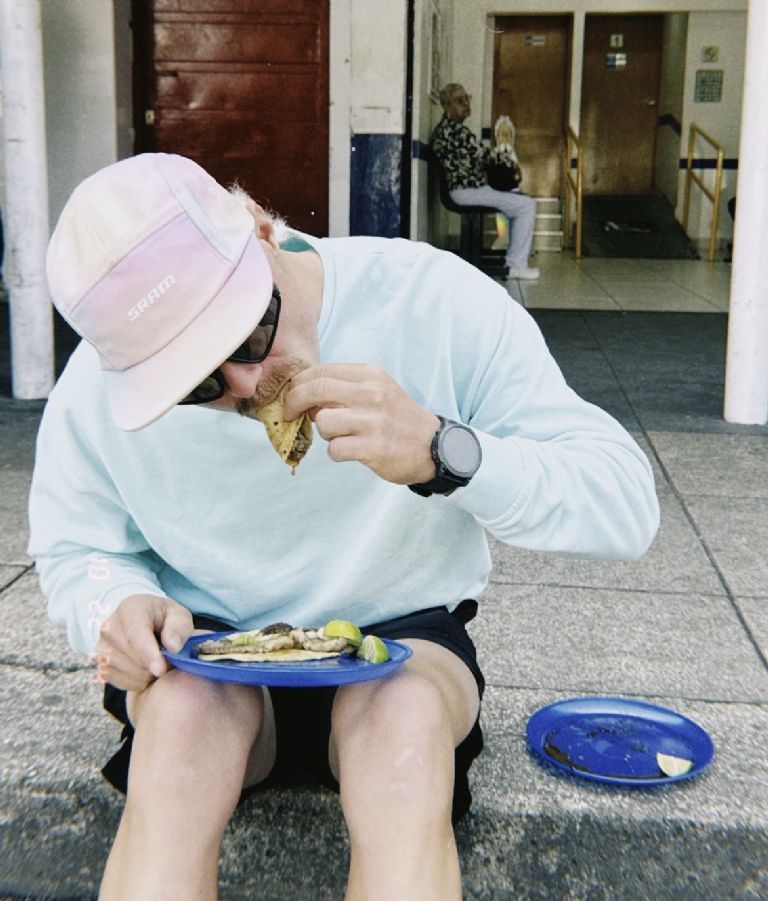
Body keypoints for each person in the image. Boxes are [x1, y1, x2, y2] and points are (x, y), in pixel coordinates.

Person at [28, 153, 659, 900]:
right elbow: (79, 545)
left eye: (249, 331)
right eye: (194, 383)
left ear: (261, 228)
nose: (247, 385)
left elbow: (625, 505)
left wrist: (444, 453)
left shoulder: (434, 300)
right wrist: (115, 604)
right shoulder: (99, 387)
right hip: (206, 644)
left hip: (403, 639)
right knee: (182, 721)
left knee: (402, 720)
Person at [431, 83, 540, 281]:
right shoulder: (454, 132)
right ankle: (516, 265)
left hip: (467, 189)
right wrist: (513, 164)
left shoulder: (448, 130)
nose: (466, 104)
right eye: (459, 101)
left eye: (467, 99)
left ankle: (513, 256)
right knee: (527, 206)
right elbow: (486, 156)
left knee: (518, 199)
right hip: (466, 192)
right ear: (446, 106)